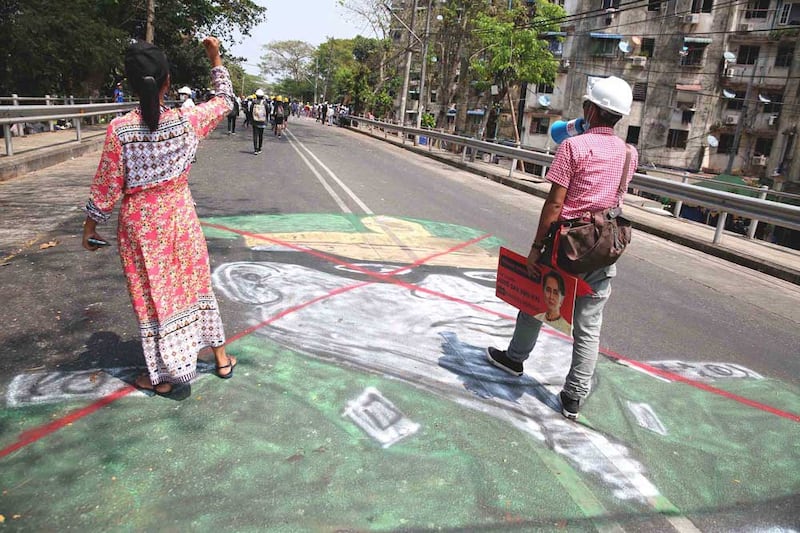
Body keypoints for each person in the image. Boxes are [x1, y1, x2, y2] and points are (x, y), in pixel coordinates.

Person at [81, 37, 237, 395]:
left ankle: (162, 378)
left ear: (132, 85)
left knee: (153, 298)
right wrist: (215, 59)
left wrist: (90, 225)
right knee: (196, 287)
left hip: (139, 226)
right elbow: (225, 101)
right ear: (167, 81)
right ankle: (222, 359)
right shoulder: (187, 121)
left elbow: (107, 184)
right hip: (180, 217)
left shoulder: (120, 129)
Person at [486, 76, 638, 421]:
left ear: (590, 109)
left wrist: (536, 247)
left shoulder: (574, 147)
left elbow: (555, 204)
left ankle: (515, 358)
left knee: (539, 298)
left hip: (567, 245)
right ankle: (574, 397)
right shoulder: (629, 153)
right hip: (604, 246)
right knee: (589, 324)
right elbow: (616, 197)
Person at [533, 271, 571, 336]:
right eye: (548, 290)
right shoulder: (536, 317)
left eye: (556, 292)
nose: (551, 297)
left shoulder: (567, 328)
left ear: (562, 297)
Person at [250, 89, 268, 154]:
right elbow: (267, 111)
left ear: (256, 95)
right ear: (262, 96)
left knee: (255, 135)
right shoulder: (265, 103)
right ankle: (259, 148)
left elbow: (250, 111)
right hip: (262, 121)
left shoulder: (253, 102)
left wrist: (251, 120)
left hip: (255, 121)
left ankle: (255, 150)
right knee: (261, 135)